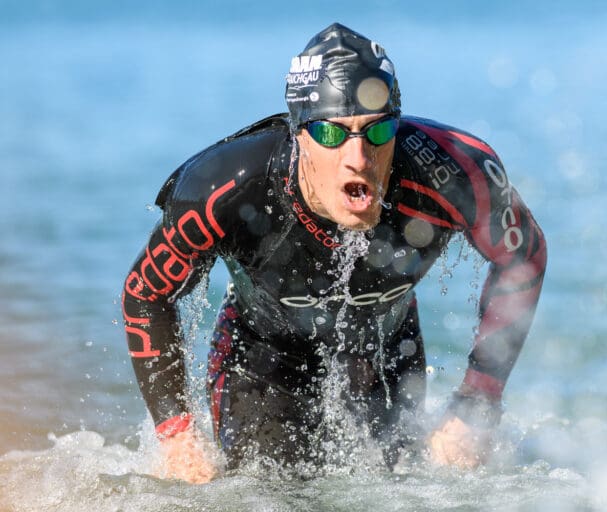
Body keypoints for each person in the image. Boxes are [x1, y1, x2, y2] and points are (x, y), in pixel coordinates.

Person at [122, 23, 547, 484]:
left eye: (378, 130)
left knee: (404, 492)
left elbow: (523, 256)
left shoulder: (452, 174)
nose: (358, 157)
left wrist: (477, 400)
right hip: (261, 358)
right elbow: (145, 293)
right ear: (298, 133)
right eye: (331, 134)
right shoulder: (227, 187)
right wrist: (177, 435)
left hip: (386, 352)